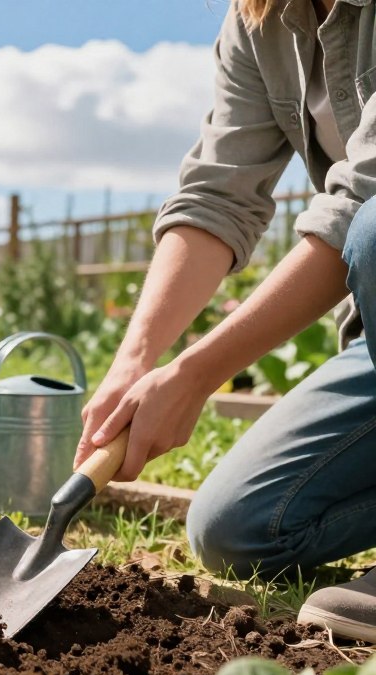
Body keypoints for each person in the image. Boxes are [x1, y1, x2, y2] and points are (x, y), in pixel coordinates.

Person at [73, 0, 376, 642]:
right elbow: (217, 195)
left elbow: (362, 199)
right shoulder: (260, 19)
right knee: (239, 526)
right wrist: (137, 360)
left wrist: (194, 375)